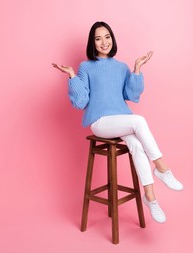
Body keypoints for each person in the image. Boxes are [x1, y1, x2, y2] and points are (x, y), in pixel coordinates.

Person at [53, 21, 183, 223]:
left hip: (121, 120)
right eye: (98, 38)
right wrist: (72, 76)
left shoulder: (121, 67)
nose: (103, 42)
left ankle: (150, 197)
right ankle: (162, 167)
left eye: (106, 37)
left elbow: (130, 93)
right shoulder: (85, 67)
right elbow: (81, 102)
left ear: (112, 39)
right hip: (100, 122)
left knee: (138, 145)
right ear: (92, 43)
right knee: (139, 121)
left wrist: (137, 69)